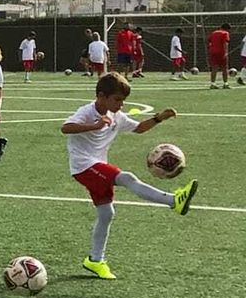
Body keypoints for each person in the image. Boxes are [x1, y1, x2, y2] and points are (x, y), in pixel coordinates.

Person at [61, 73, 198, 279]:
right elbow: (66, 127)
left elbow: (139, 128)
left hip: (97, 166)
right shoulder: (87, 112)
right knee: (126, 177)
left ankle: (95, 261)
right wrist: (95, 125)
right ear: (101, 96)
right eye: (117, 100)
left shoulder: (116, 116)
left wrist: (158, 118)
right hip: (84, 166)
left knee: (106, 214)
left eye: (123, 101)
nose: (121, 105)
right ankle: (173, 200)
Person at [207, 22, 232, 89]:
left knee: (214, 68)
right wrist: (226, 52)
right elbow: (225, 43)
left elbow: (209, 42)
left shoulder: (214, 33)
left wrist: (211, 49)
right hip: (221, 52)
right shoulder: (225, 33)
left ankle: (212, 83)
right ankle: (225, 84)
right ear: (227, 29)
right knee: (224, 68)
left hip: (213, 52)